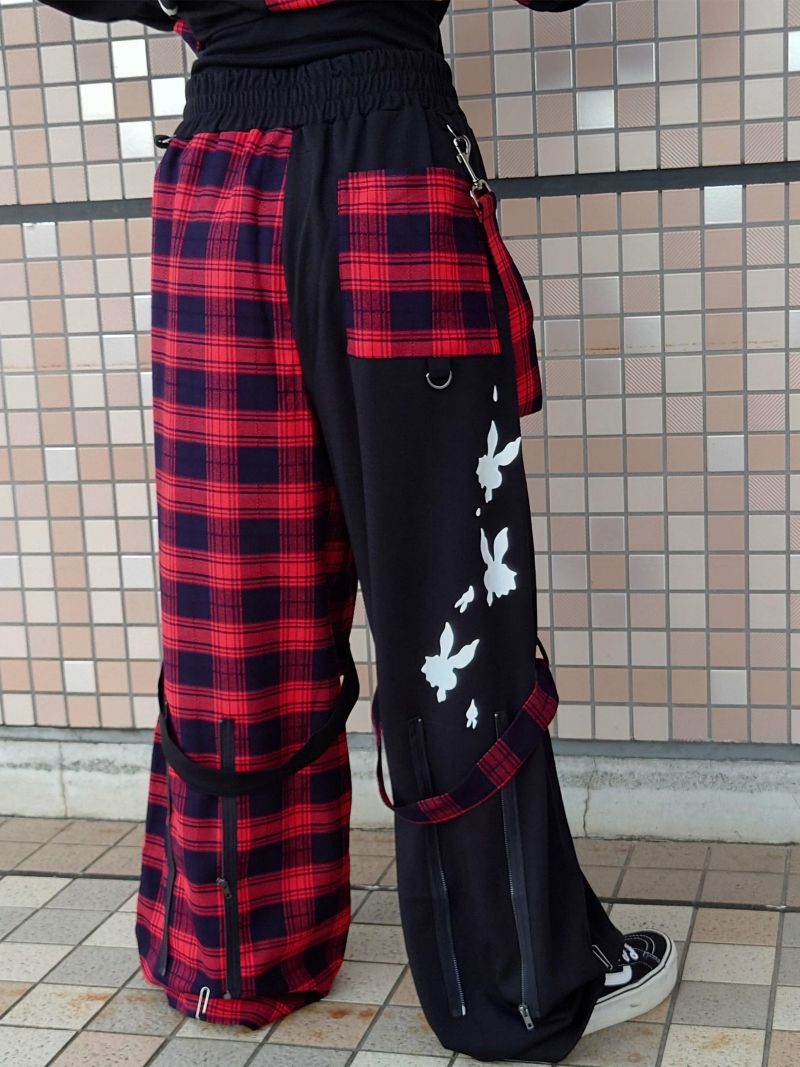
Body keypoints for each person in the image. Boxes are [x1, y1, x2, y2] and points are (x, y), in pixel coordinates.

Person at [32, 1, 678, 1061]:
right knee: (448, 605)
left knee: (235, 599)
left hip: (218, 198)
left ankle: (235, 956)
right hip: (393, 177)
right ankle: (510, 980)